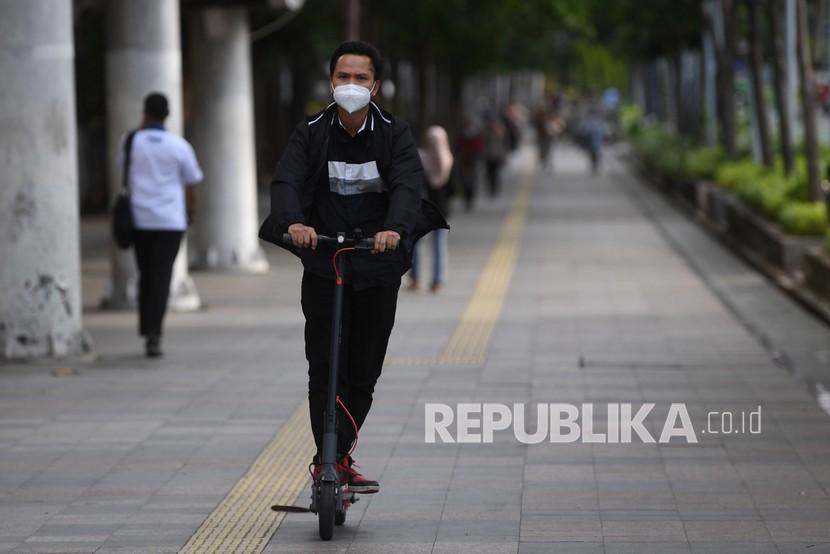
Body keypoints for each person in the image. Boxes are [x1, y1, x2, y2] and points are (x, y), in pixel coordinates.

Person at [261, 41, 447, 493]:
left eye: (360, 78)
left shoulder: (394, 133)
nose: (350, 86)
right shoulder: (310, 132)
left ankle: (337, 454)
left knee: (364, 366)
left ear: (375, 86)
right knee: (323, 364)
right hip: (326, 262)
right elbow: (286, 179)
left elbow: (407, 184)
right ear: (331, 82)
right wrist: (295, 222)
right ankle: (331, 459)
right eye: (343, 77)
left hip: (378, 264)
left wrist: (395, 229)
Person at [126, 92, 202, 358]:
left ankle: (147, 327)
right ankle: (154, 333)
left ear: (144, 113)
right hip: (171, 221)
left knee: (145, 274)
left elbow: (124, 175)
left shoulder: (131, 142)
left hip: (140, 220)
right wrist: (191, 211)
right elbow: (191, 183)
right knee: (161, 276)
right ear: (168, 115)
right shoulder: (179, 145)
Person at [409, 125, 453, 292]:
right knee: (439, 245)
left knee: (417, 244)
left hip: (423, 209)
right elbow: (452, 190)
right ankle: (438, 281)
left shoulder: (421, 158)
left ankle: (416, 279)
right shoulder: (448, 159)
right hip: (442, 210)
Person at [482, 111, 508, 198]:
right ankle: (490, 189)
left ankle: (495, 189)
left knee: (495, 173)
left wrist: (503, 156)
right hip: (488, 156)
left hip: (497, 156)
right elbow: (483, 144)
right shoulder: (486, 131)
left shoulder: (500, 131)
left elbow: (503, 144)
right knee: (489, 173)